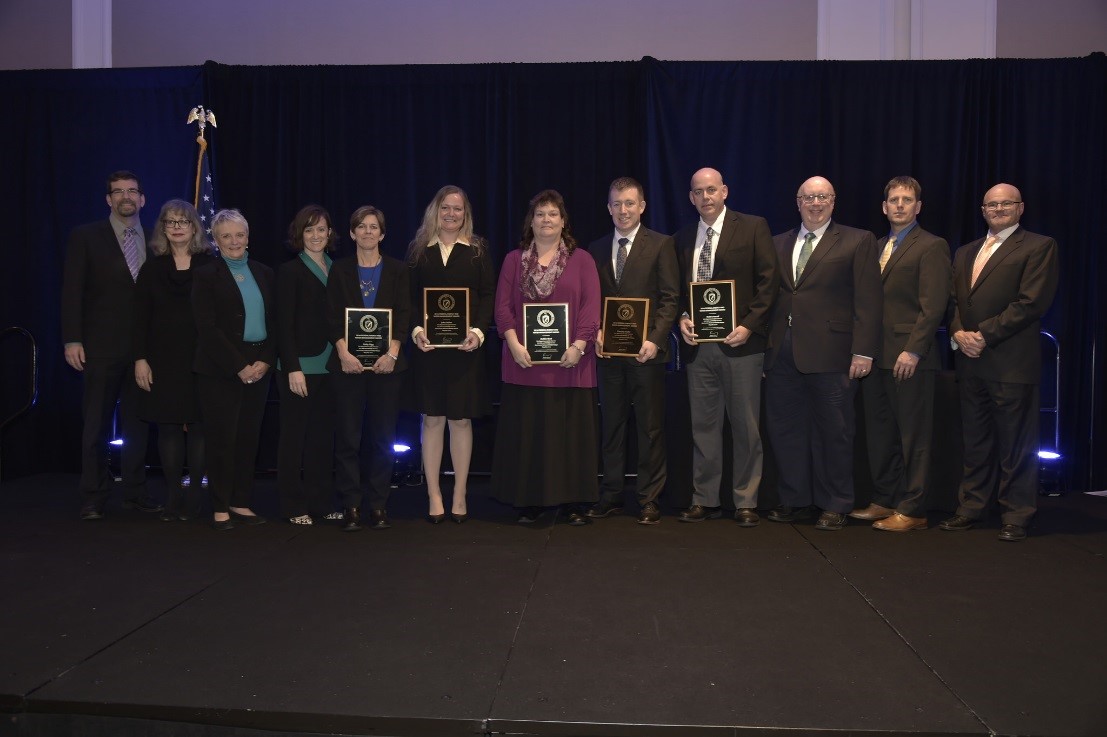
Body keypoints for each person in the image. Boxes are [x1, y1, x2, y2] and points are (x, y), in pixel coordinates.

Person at [942, 183, 1059, 542]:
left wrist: (983, 335)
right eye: (991, 204)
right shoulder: (965, 251)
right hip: (970, 362)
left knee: (1016, 444)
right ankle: (972, 507)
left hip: (1010, 362)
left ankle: (1016, 514)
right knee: (975, 441)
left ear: (1020, 208)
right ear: (982, 210)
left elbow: (1031, 303)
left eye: (1006, 203)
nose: (998, 209)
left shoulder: (1040, 246)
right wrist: (959, 332)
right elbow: (952, 300)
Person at [765, 176, 882, 530]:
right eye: (808, 197)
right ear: (797, 202)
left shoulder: (858, 240)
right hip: (781, 353)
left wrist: (863, 352)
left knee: (835, 431)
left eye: (822, 197)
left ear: (833, 201)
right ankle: (796, 500)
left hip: (834, 353)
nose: (815, 203)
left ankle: (836, 503)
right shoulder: (777, 242)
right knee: (786, 431)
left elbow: (868, 299)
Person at [673, 168, 779, 526]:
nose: (705, 197)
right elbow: (677, 290)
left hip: (741, 346)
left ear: (725, 192)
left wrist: (749, 325)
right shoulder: (683, 237)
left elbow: (768, 284)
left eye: (711, 190)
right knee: (703, 427)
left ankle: (746, 500)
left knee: (746, 426)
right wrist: (683, 318)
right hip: (698, 349)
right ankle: (704, 498)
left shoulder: (752, 227)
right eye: (698, 192)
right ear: (691, 197)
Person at [491, 189, 601, 525]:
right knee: (529, 434)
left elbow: (591, 307)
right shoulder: (514, 260)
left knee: (569, 434)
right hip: (525, 362)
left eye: (553, 214)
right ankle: (529, 501)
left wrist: (579, 346)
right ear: (531, 221)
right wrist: (513, 344)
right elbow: (503, 308)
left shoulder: (581, 259)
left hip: (571, 364)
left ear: (563, 221)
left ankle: (572, 501)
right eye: (540, 214)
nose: (546, 220)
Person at [852, 177, 951, 531]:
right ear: (883, 206)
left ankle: (913, 509)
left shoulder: (932, 246)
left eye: (906, 200)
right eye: (893, 200)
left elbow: (934, 306)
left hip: (909, 359)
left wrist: (914, 350)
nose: (899, 205)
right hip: (875, 357)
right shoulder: (874, 245)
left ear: (918, 206)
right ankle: (885, 499)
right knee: (881, 435)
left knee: (913, 436)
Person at [62, 170, 158, 520]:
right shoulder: (85, 237)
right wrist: (72, 338)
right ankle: (93, 495)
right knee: (96, 424)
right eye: (118, 192)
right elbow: (72, 290)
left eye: (132, 191)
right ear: (108, 200)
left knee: (138, 425)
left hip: (143, 352)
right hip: (99, 347)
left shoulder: (155, 239)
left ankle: (135, 491)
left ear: (142, 199)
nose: (125, 197)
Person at [584, 177, 679, 525]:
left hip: (647, 354)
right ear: (608, 208)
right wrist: (594, 330)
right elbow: (590, 301)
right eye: (616, 204)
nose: (623, 210)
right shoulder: (594, 249)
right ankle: (610, 494)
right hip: (608, 355)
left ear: (642, 206)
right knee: (611, 425)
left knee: (650, 427)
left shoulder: (661, 245)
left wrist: (654, 339)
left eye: (629, 203)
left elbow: (671, 298)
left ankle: (649, 497)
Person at [407, 186, 495, 524]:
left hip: (465, 350)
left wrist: (477, 332)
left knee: (460, 419)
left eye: (457, 209)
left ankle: (459, 493)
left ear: (465, 214)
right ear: (435, 210)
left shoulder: (477, 251)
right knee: (431, 419)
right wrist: (416, 332)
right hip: (429, 349)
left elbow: (487, 295)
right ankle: (434, 494)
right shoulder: (419, 250)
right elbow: (410, 299)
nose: (451, 214)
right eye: (445, 208)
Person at [327, 206, 410, 532]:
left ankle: (377, 505)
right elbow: (332, 316)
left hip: (386, 366)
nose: (367, 232)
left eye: (373, 227)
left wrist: (391, 353)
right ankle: (351, 506)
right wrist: (344, 352)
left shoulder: (399, 270)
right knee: (348, 437)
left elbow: (404, 315)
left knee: (382, 438)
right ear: (352, 233)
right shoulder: (339, 270)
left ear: (383, 234)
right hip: (347, 365)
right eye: (361, 227)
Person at [133, 199, 215, 521]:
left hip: (202, 358)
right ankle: (173, 495)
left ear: (194, 227)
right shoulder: (151, 268)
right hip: (161, 360)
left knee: (199, 427)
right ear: (163, 228)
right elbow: (139, 319)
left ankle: (195, 491)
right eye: (171, 222)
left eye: (183, 222)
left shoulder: (209, 264)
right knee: (167, 428)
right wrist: (140, 358)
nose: (177, 227)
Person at [192, 209, 274, 530]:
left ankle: (241, 501)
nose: (234, 241)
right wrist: (239, 365)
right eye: (226, 236)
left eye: (239, 234)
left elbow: (275, 322)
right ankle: (220, 505)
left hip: (259, 366)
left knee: (248, 438)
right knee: (222, 439)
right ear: (216, 239)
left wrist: (265, 360)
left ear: (248, 237)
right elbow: (207, 328)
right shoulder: (206, 274)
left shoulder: (264, 272)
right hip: (220, 369)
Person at [276, 205, 339, 525]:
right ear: (300, 235)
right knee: (293, 439)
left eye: (321, 229)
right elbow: (282, 325)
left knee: (322, 439)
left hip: (331, 366)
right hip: (300, 367)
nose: (316, 235)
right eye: (309, 230)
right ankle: (293, 505)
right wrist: (292, 368)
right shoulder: (290, 272)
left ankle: (320, 502)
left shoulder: (337, 268)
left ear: (330, 234)